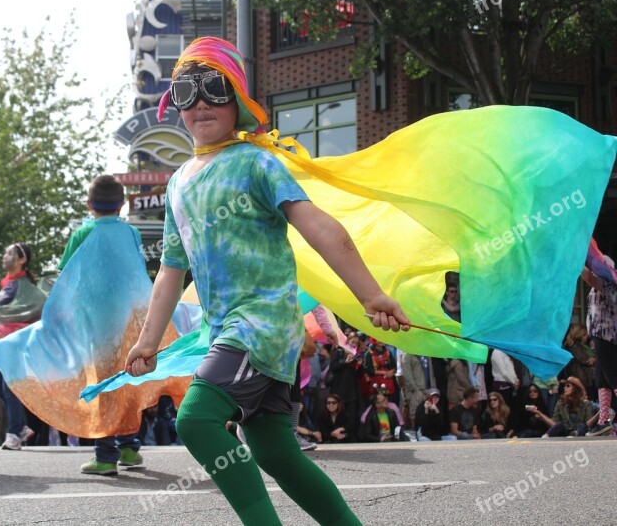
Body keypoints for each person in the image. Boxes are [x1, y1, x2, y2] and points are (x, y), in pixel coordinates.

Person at [124, 36, 410, 525]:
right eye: (186, 91)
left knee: (196, 420)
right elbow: (172, 269)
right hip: (233, 333)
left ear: (237, 98)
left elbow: (320, 227)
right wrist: (148, 340)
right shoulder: (178, 183)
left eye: (213, 88)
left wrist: (371, 294)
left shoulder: (257, 162)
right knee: (276, 453)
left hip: (259, 328)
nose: (200, 104)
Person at [58, 175, 144, 474]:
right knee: (128, 380)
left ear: (88, 204)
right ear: (122, 205)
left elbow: (66, 277)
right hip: (129, 321)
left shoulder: (83, 233)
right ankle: (131, 449)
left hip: (96, 323)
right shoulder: (131, 233)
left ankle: (106, 456)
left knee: (103, 384)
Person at [0, 243, 42, 451]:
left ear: (22, 260)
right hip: (2, 344)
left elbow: (31, 311)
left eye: (10, 253)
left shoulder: (25, 287)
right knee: (1, 391)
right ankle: (20, 428)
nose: (5, 256)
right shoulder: (7, 284)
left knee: (10, 389)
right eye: (5, 252)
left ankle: (14, 434)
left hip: (16, 344)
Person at [580, 260, 617, 436]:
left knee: (613, 378)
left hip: (606, 335)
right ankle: (604, 423)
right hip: (600, 335)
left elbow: (588, 277)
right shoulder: (601, 285)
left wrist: (576, 256)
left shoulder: (608, 283)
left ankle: (605, 422)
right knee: (601, 379)